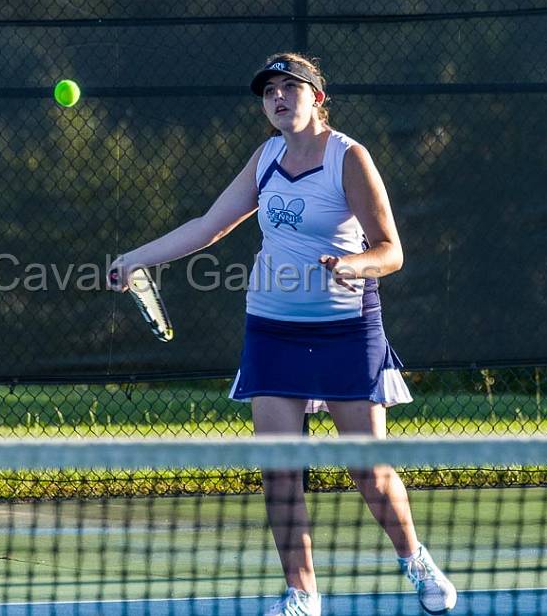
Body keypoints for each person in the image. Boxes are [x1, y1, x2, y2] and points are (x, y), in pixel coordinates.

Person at [108, 53, 457, 615]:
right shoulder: (266, 156)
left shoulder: (350, 157)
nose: (277, 98)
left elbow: (391, 251)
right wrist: (135, 258)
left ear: (317, 97)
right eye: (269, 91)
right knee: (278, 471)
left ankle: (414, 558)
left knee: (368, 469)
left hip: (347, 329)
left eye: (289, 88)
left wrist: (353, 266)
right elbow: (207, 226)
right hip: (271, 330)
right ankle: (302, 594)